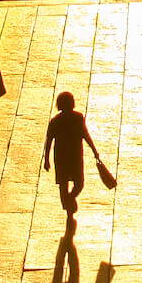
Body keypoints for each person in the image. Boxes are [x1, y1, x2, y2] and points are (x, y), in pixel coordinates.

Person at [44, 90, 108, 218]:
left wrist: (47, 159)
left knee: (64, 183)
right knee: (78, 183)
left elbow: (49, 141)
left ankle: (68, 201)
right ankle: (70, 201)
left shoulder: (56, 121)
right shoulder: (77, 118)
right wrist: (94, 150)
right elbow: (85, 135)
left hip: (62, 156)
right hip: (74, 155)